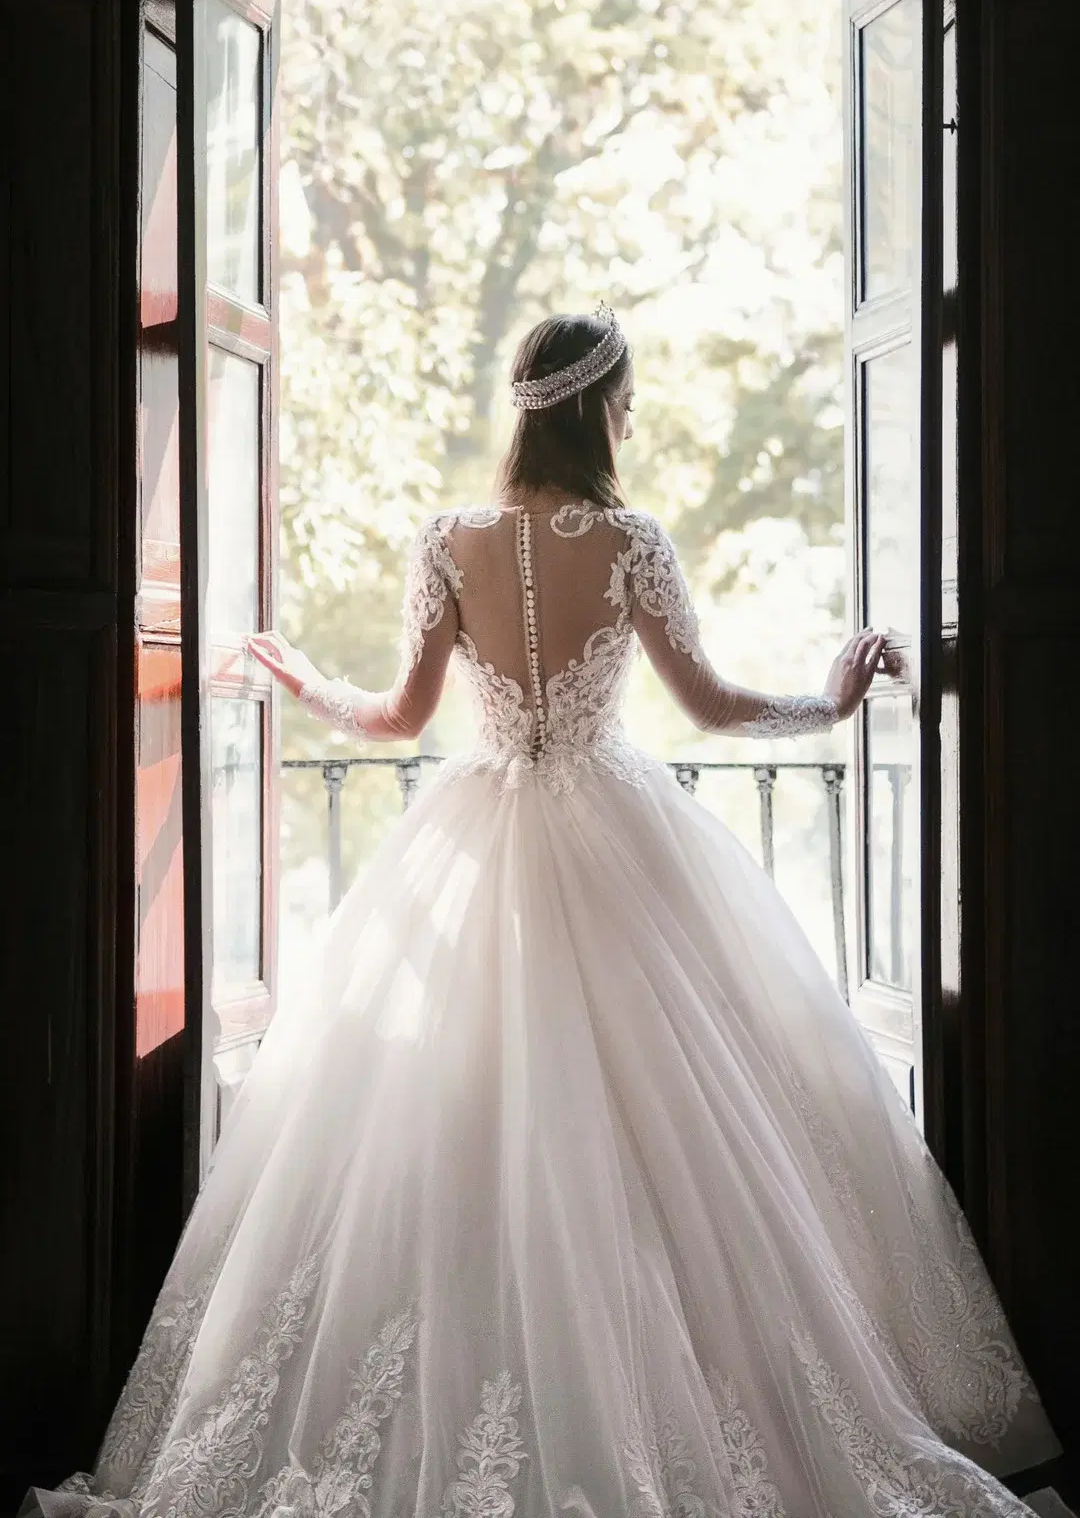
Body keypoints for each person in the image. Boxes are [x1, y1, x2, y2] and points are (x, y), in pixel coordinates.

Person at [28, 308, 1060, 1518]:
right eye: (626, 400)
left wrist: (306, 681)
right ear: (594, 407)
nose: (633, 418)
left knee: (449, 1115)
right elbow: (717, 708)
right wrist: (828, 705)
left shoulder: (448, 541)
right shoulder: (629, 541)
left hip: (474, 839)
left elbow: (401, 720)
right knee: (685, 1123)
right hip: (620, 840)